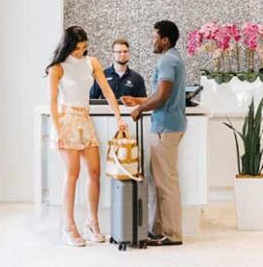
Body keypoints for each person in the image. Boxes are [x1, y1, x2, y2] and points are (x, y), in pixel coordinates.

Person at [46, 26, 126, 247]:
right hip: (66, 120)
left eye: (84, 47)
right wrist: (58, 129)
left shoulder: (92, 63)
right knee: (73, 174)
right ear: (68, 46)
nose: (81, 51)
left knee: (94, 172)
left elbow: (108, 91)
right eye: (77, 48)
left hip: (84, 119)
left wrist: (118, 116)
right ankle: (69, 226)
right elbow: (52, 101)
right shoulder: (57, 68)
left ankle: (92, 222)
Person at [122, 20, 186, 247]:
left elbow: (162, 97)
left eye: (155, 37)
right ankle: (158, 230)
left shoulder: (167, 60)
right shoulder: (173, 58)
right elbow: (158, 94)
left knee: (165, 183)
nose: (153, 40)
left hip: (165, 128)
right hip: (166, 126)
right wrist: (138, 100)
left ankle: (172, 234)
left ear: (165, 39)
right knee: (159, 181)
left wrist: (140, 108)